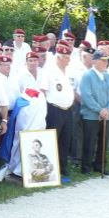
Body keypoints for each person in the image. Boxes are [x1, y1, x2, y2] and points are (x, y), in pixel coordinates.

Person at [80, 50, 109, 175]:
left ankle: (100, 165)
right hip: (91, 116)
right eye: (103, 60)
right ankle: (86, 166)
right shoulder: (87, 76)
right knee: (90, 142)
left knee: (104, 142)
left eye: (106, 60)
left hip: (107, 115)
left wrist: (108, 109)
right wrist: (99, 110)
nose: (105, 62)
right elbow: (87, 96)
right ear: (94, 61)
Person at [40, 44, 74, 178]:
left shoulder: (69, 71)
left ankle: (63, 167)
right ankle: (50, 170)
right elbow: (42, 91)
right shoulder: (49, 71)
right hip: (54, 109)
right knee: (52, 139)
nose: (68, 60)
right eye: (66, 58)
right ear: (59, 58)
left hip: (68, 109)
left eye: (69, 57)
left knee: (66, 139)